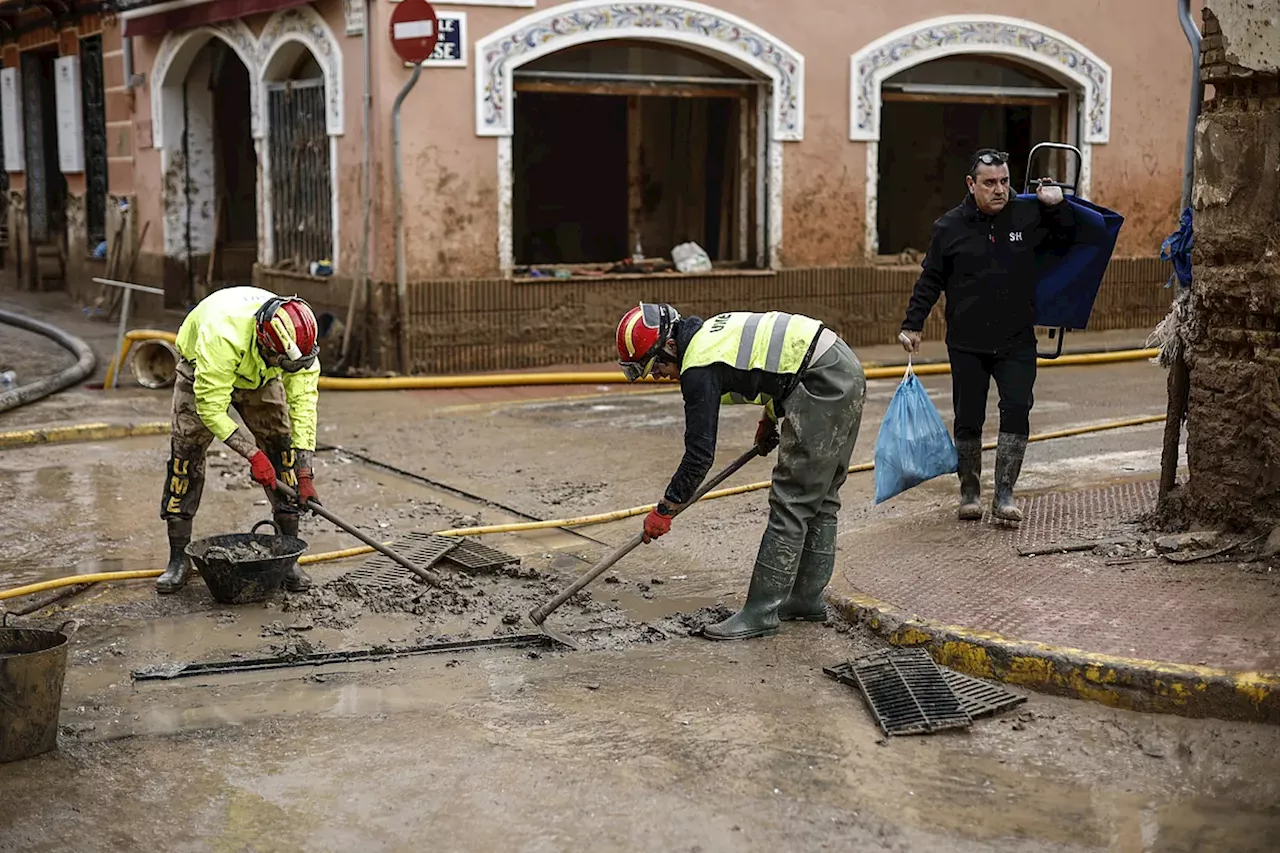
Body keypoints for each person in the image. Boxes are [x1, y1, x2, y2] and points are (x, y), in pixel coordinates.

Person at [615, 304, 867, 640]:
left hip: (821, 380)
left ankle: (760, 614)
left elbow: (699, 455)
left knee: (792, 501)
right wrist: (770, 417)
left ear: (670, 345)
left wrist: (666, 508)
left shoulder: (698, 364)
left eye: (656, 364)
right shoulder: (709, 336)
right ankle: (805, 601)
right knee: (820, 499)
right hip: (838, 367)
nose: (658, 374)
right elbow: (774, 368)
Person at [899, 148, 1076, 523]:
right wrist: (912, 324)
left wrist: (1056, 205)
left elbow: (1066, 241)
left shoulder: (1027, 215)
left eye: (1005, 182)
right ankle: (969, 492)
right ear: (971, 184)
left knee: (1017, 409)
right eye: (990, 183)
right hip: (967, 342)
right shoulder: (949, 228)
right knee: (968, 417)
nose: (1000, 190)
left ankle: (1005, 495)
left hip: (1016, 340)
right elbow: (930, 279)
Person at [155, 286, 322, 594]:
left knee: (282, 452)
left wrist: (304, 471)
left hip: (260, 375)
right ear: (265, 342)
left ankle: (289, 557)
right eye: (282, 362)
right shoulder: (221, 336)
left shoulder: (298, 347)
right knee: (185, 459)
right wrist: (251, 454)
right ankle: (178, 559)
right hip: (202, 371)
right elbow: (211, 409)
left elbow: (304, 408)